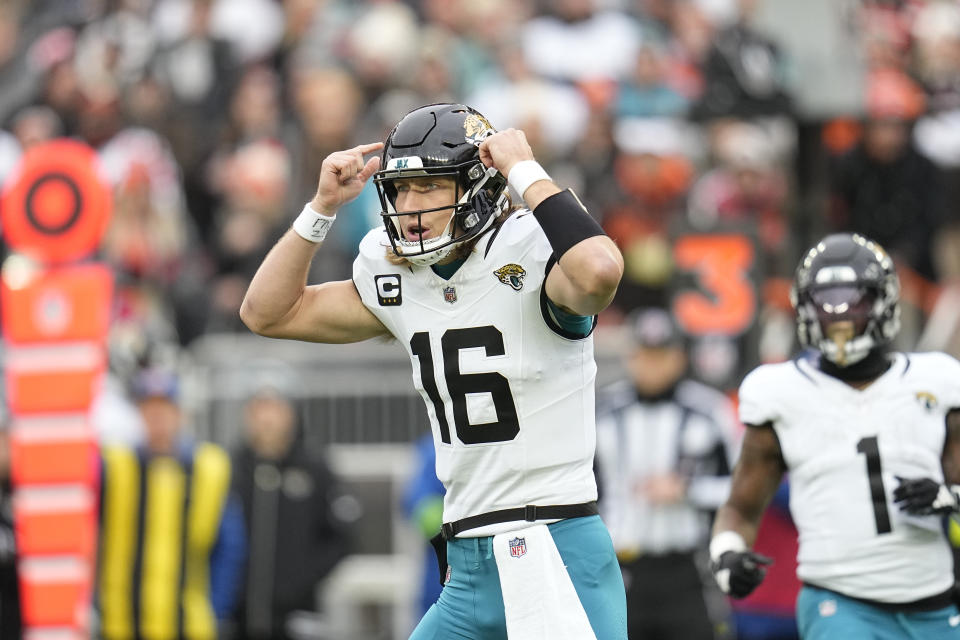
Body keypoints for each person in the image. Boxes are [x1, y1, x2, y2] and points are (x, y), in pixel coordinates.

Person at [240, 103, 627, 639]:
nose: (409, 206)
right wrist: (321, 207)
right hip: (465, 565)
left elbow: (601, 270)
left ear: (477, 187)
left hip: (551, 548)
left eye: (428, 187)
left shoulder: (531, 250)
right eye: (400, 190)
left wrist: (524, 170)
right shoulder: (400, 276)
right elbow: (266, 313)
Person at [708, 233, 960, 639]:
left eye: (853, 300)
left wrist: (951, 498)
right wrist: (727, 553)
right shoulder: (781, 393)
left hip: (935, 602)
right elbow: (740, 508)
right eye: (825, 302)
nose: (839, 315)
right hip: (839, 601)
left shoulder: (938, 382)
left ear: (883, 302)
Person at [595, 307, 737, 640]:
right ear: (631, 356)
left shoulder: (710, 410)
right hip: (618, 567)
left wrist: (686, 489)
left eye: (661, 356)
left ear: (679, 358)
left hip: (686, 569)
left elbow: (739, 491)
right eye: (645, 355)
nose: (652, 365)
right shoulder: (600, 413)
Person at [96, 367, 247, 640]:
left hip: (188, 623)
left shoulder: (209, 469)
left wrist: (215, 609)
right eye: (150, 411)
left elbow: (229, 549)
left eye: (165, 411)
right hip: (120, 623)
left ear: (180, 415)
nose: (158, 421)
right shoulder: (116, 466)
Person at [231, 380, 350, 640]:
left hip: (298, 614)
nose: (267, 419)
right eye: (259, 410)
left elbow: (344, 534)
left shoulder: (314, 469)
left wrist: (304, 578)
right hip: (237, 615)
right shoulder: (232, 469)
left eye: (274, 409)